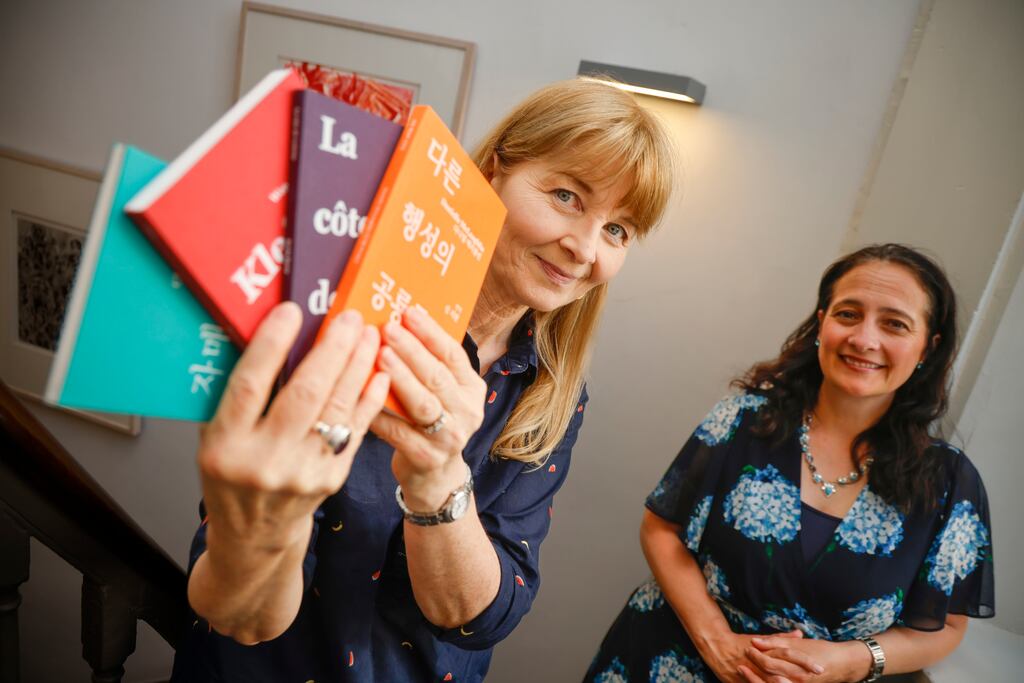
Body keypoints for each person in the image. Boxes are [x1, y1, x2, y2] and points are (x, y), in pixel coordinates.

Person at [170, 77, 676, 682]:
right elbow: (240, 615)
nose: (585, 249)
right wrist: (271, 520)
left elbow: (483, 615)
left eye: (617, 230)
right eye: (567, 195)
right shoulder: (347, 315)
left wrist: (439, 476)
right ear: (492, 172)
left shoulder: (553, 394)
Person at [586, 244, 994, 683]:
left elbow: (946, 626)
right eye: (848, 314)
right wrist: (717, 642)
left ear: (927, 348)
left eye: (894, 324)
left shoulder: (949, 483)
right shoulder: (743, 419)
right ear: (822, 323)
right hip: (668, 662)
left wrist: (853, 661)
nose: (864, 339)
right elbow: (661, 528)